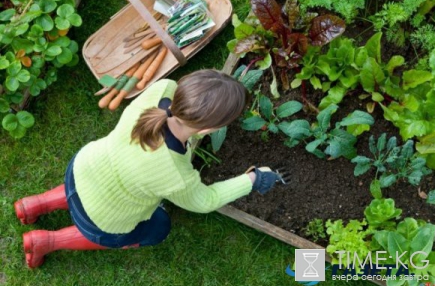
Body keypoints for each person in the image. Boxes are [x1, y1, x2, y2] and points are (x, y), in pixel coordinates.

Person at [14, 69, 284, 268]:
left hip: (82, 168)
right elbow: (206, 200)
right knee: (158, 228)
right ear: (208, 130)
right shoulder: (176, 175)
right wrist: (252, 179)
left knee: (94, 186)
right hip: (101, 220)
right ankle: (46, 242)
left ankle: (34, 204)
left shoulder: (162, 89)